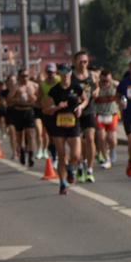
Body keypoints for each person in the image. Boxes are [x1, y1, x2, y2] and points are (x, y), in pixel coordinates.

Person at [41, 54, 90, 189]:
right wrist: (57, 107)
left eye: (67, 71)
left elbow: (86, 100)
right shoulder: (54, 90)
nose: (65, 74)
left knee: (76, 154)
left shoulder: (77, 87)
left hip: (73, 122)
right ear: (59, 73)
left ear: (71, 72)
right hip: (59, 124)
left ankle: (70, 168)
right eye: (62, 71)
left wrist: (81, 107)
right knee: (62, 154)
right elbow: (45, 109)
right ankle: (62, 183)